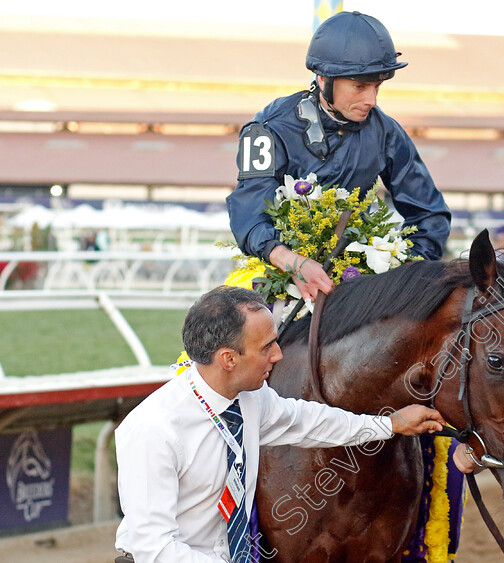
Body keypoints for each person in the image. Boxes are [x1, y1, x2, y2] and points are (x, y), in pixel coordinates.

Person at [114, 286, 444, 562]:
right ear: (229, 359)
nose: (278, 356)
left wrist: (389, 425)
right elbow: (152, 548)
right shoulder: (153, 430)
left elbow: (310, 422)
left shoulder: (251, 400)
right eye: (267, 347)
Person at [226, 11, 451, 304]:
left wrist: (406, 268)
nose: (372, 99)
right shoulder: (269, 129)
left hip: (361, 280)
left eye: (377, 87)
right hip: (279, 271)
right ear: (323, 79)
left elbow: (431, 215)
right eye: (360, 86)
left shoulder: (387, 132)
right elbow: (249, 214)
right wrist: (290, 260)